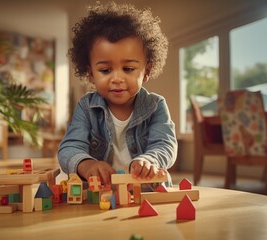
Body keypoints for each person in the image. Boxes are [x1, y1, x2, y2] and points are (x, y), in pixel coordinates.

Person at [57, 1, 177, 189]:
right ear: (90, 74)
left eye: (128, 69)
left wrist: (150, 160)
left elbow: (165, 144)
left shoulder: (156, 105)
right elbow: (69, 148)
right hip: (100, 193)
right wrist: (87, 165)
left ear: (146, 72)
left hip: (146, 190)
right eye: (105, 70)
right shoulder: (86, 107)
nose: (117, 78)